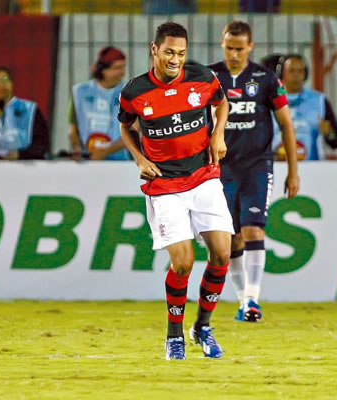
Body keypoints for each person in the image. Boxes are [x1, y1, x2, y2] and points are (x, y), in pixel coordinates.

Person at [117, 21, 233, 361]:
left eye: (181, 53)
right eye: (169, 52)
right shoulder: (135, 91)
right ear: (154, 50)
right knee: (182, 263)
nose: (175, 60)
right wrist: (138, 157)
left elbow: (221, 102)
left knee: (222, 254)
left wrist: (218, 133)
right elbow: (125, 126)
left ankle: (203, 327)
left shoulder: (202, 77)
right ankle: (174, 336)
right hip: (165, 184)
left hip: (204, 175)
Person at [209, 21, 299, 322]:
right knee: (230, 238)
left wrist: (293, 171)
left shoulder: (265, 78)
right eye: (229, 47)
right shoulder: (210, 77)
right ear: (222, 44)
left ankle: (252, 299)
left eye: (239, 48)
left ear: (250, 47)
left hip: (257, 165)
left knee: (253, 229)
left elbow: (286, 124)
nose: (234, 54)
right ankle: (242, 300)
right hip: (221, 168)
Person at [271, 54, 337, 160]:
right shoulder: (269, 101)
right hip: (278, 168)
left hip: (312, 169)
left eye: (300, 71)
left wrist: (329, 133)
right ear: (281, 73)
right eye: (291, 71)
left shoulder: (319, 101)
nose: (296, 75)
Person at [69, 46, 130, 161]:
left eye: (123, 67)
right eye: (117, 68)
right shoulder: (79, 92)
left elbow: (132, 133)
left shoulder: (129, 92)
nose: (122, 73)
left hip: (120, 163)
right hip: (87, 161)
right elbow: (73, 130)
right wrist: (76, 147)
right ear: (102, 69)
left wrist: (104, 152)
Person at [0, 65, 49, 160]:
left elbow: (42, 144)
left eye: (5, 80)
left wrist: (20, 155)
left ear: (11, 83)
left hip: (25, 166)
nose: (1, 85)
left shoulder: (30, 109)